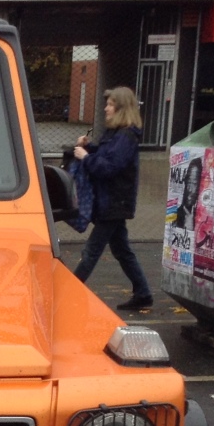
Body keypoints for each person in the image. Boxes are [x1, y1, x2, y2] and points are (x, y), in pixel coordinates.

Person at [71, 86, 154, 311]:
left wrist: (86, 158)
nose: (106, 108)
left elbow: (109, 167)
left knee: (92, 251)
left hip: (114, 202)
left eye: (110, 104)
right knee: (121, 250)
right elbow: (108, 156)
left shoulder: (125, 136)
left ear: (120, 108)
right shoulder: (118, 134)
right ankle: (143, 293)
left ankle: (68, 293)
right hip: (112, 201)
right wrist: (91, 147)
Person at [172, 157, 202, 232]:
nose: (190, 189)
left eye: (194, 184)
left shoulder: (201, 218)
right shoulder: (175, 215)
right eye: (189, 182)